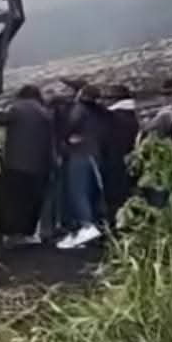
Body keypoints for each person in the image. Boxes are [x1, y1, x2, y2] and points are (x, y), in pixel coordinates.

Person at [0, 85, 55, 246]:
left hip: (14, 164)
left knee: (6, 200)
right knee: (30, 202)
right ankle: (23, 233)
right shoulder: (45, 113)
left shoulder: (18, 109)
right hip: (39, 167)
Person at [58, 85, 109, 249]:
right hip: (95, 155)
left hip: (80, 154)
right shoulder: (101, 113)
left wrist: (65, 140)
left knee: (78, 191)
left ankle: (86, 226)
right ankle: (87, 231)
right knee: (92, 192)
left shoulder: (79, 109)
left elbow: (70, 126)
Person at [101, 87, 140, 224]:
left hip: (114, 163)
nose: (104, 101)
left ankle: (115, 227)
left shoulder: (113, 117)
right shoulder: (131, 116)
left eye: (107, 98)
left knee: (114, 199)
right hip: (128, 161)